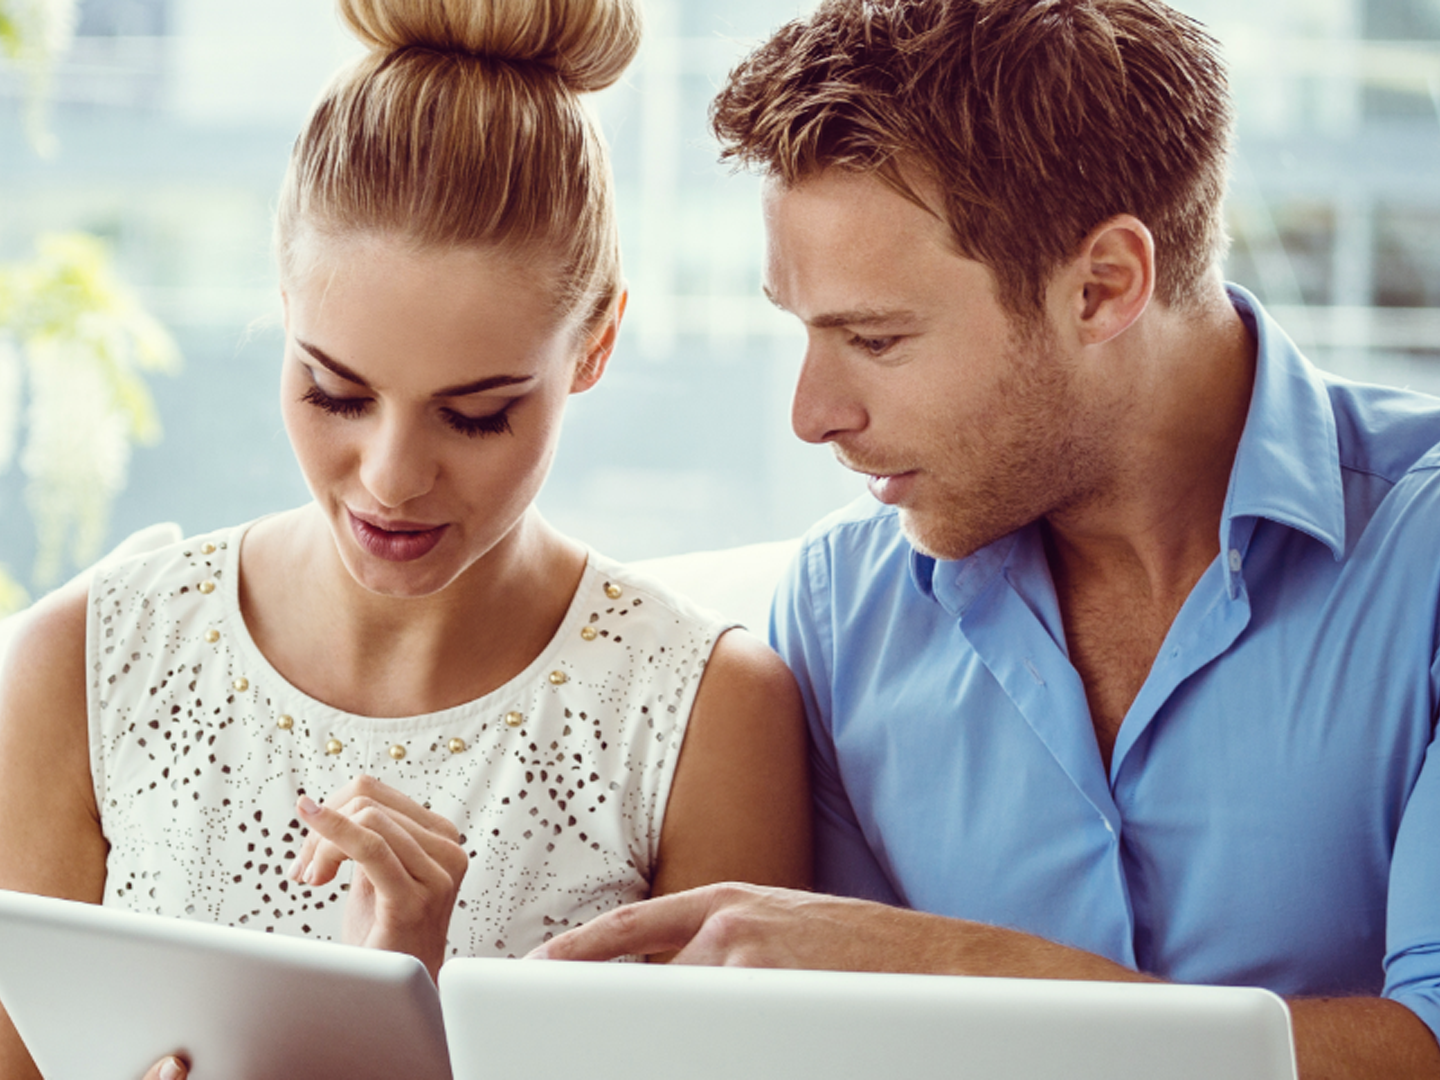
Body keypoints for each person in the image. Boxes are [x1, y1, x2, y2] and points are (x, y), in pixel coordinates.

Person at [533, 0, 1440, 1076]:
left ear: (1103, 287)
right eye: (804, 330)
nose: (812, 412)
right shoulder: (840, 612)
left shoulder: (1420, 556)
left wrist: (948, 972)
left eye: (875, 337)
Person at [0, 1, 810, 1077]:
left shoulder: (701, 715)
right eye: (334, 391)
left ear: (596, 344)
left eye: (476, 415)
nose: (390, 478)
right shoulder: (84, 665)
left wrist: (407, 1037)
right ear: (284, 309)